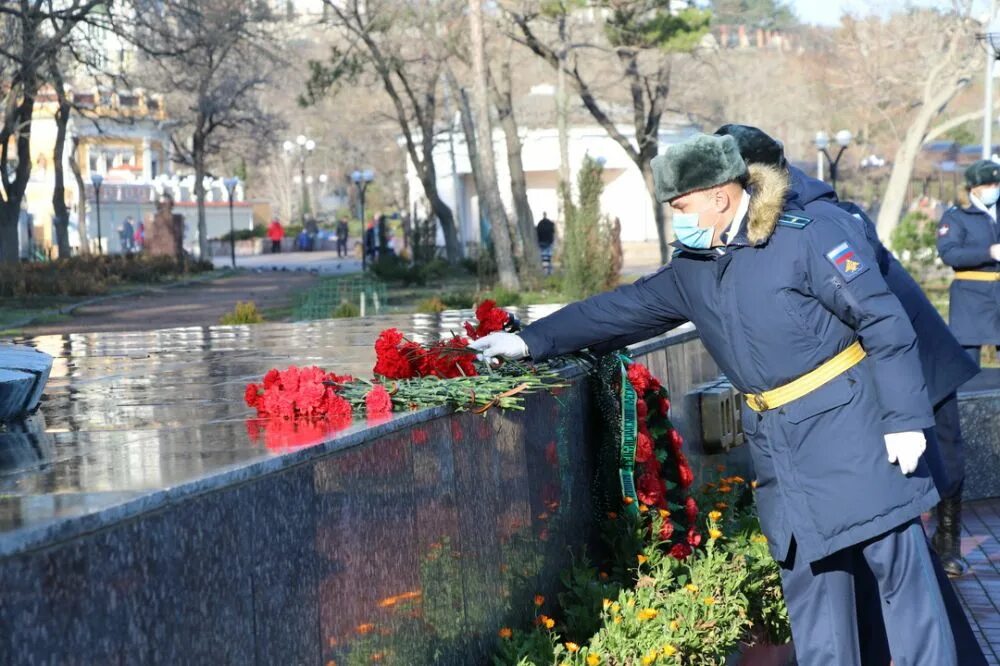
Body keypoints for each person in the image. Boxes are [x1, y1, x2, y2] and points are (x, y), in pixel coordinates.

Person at [470, 133, 958, 666]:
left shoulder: (805, 236)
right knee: (815, 605)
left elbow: (884, 323)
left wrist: (904, 420)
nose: (676, 218)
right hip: (782, 452)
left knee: (905, 597)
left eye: (680, 206)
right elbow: (621, 309)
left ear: (719, 196)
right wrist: (529, 341)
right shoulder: (696, 266)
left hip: (855, 438)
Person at [715, 124, 984, 665]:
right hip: (887, 385)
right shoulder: (803, 207)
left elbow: (871, 317)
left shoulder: (817, 219)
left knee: (902, 562)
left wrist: (898, 416)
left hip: (903, 384)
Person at [937, 159, 1000, 368]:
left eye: (997, 184)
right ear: (974, 187)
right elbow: (949, 253)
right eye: (988, 185)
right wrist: (989, 252)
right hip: (971, 295)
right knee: (969, 364)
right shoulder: (956, 216)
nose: (994, 188)